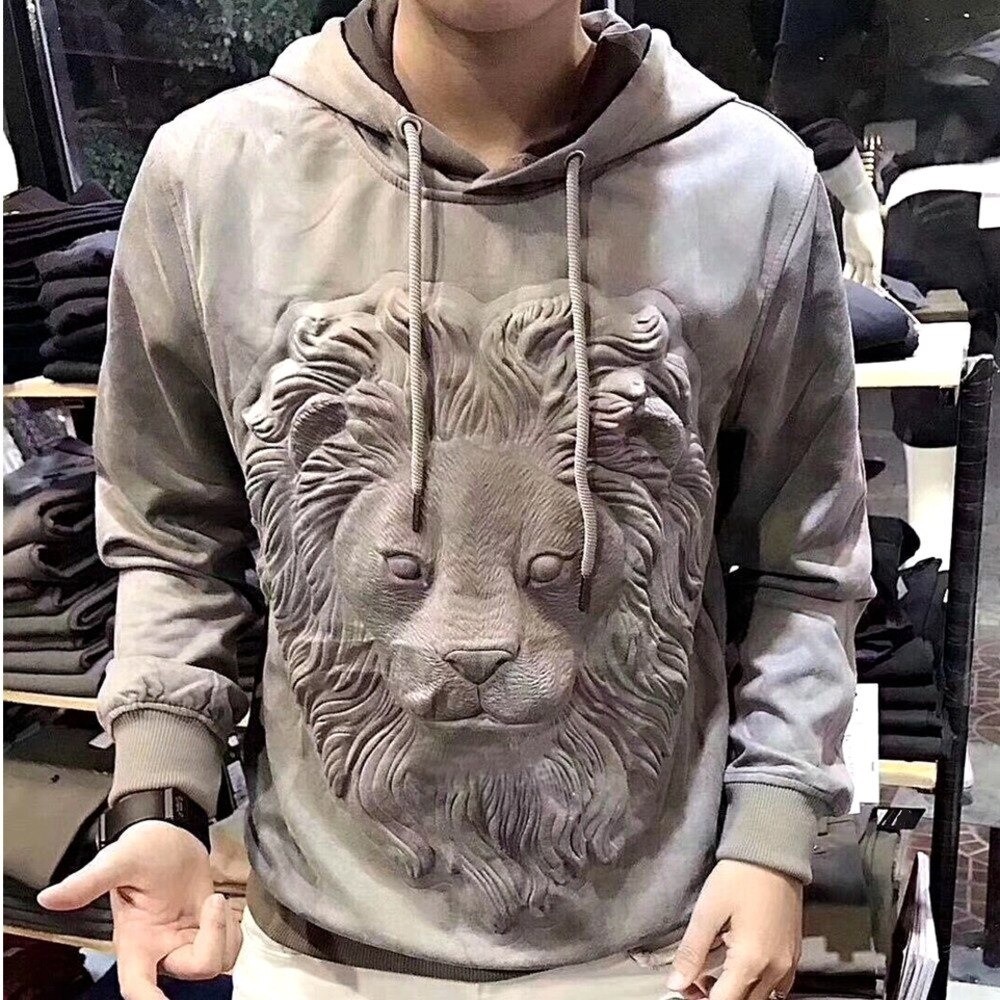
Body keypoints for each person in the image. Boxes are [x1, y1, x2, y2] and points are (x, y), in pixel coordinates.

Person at [38, 1, 874, 997]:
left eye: (549, 569)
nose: (477, 641)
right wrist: (160, 797)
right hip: (317, 950)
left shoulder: (754, 183)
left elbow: (807, 559)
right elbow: (171, 533)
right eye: (404, 567)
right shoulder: (210, 176)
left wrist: (774, 831)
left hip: (659, 946)